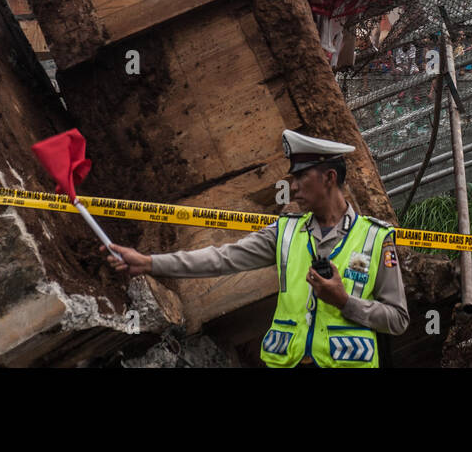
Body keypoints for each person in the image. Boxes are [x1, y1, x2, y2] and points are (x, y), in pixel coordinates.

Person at [104, 130, 408, 367]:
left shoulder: (376, 239)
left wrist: (345, 302)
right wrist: (149, 263)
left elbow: (397, 319)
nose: (295, 187)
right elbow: (221, 259)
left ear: (329, 178)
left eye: (301, 177)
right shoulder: (286, 233)